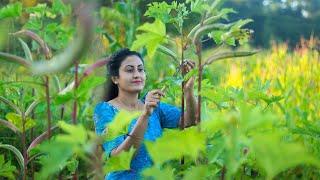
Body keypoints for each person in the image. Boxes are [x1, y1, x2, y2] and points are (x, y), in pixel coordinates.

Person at [93, 48, 198, 179]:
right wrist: (145, 114)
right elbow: (119, 159)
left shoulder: (155, 108)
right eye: (130, 70)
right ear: (115, 78)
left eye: (140, 69)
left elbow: (190, 120)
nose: (137, 74)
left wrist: (188, 91)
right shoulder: (105, 110)